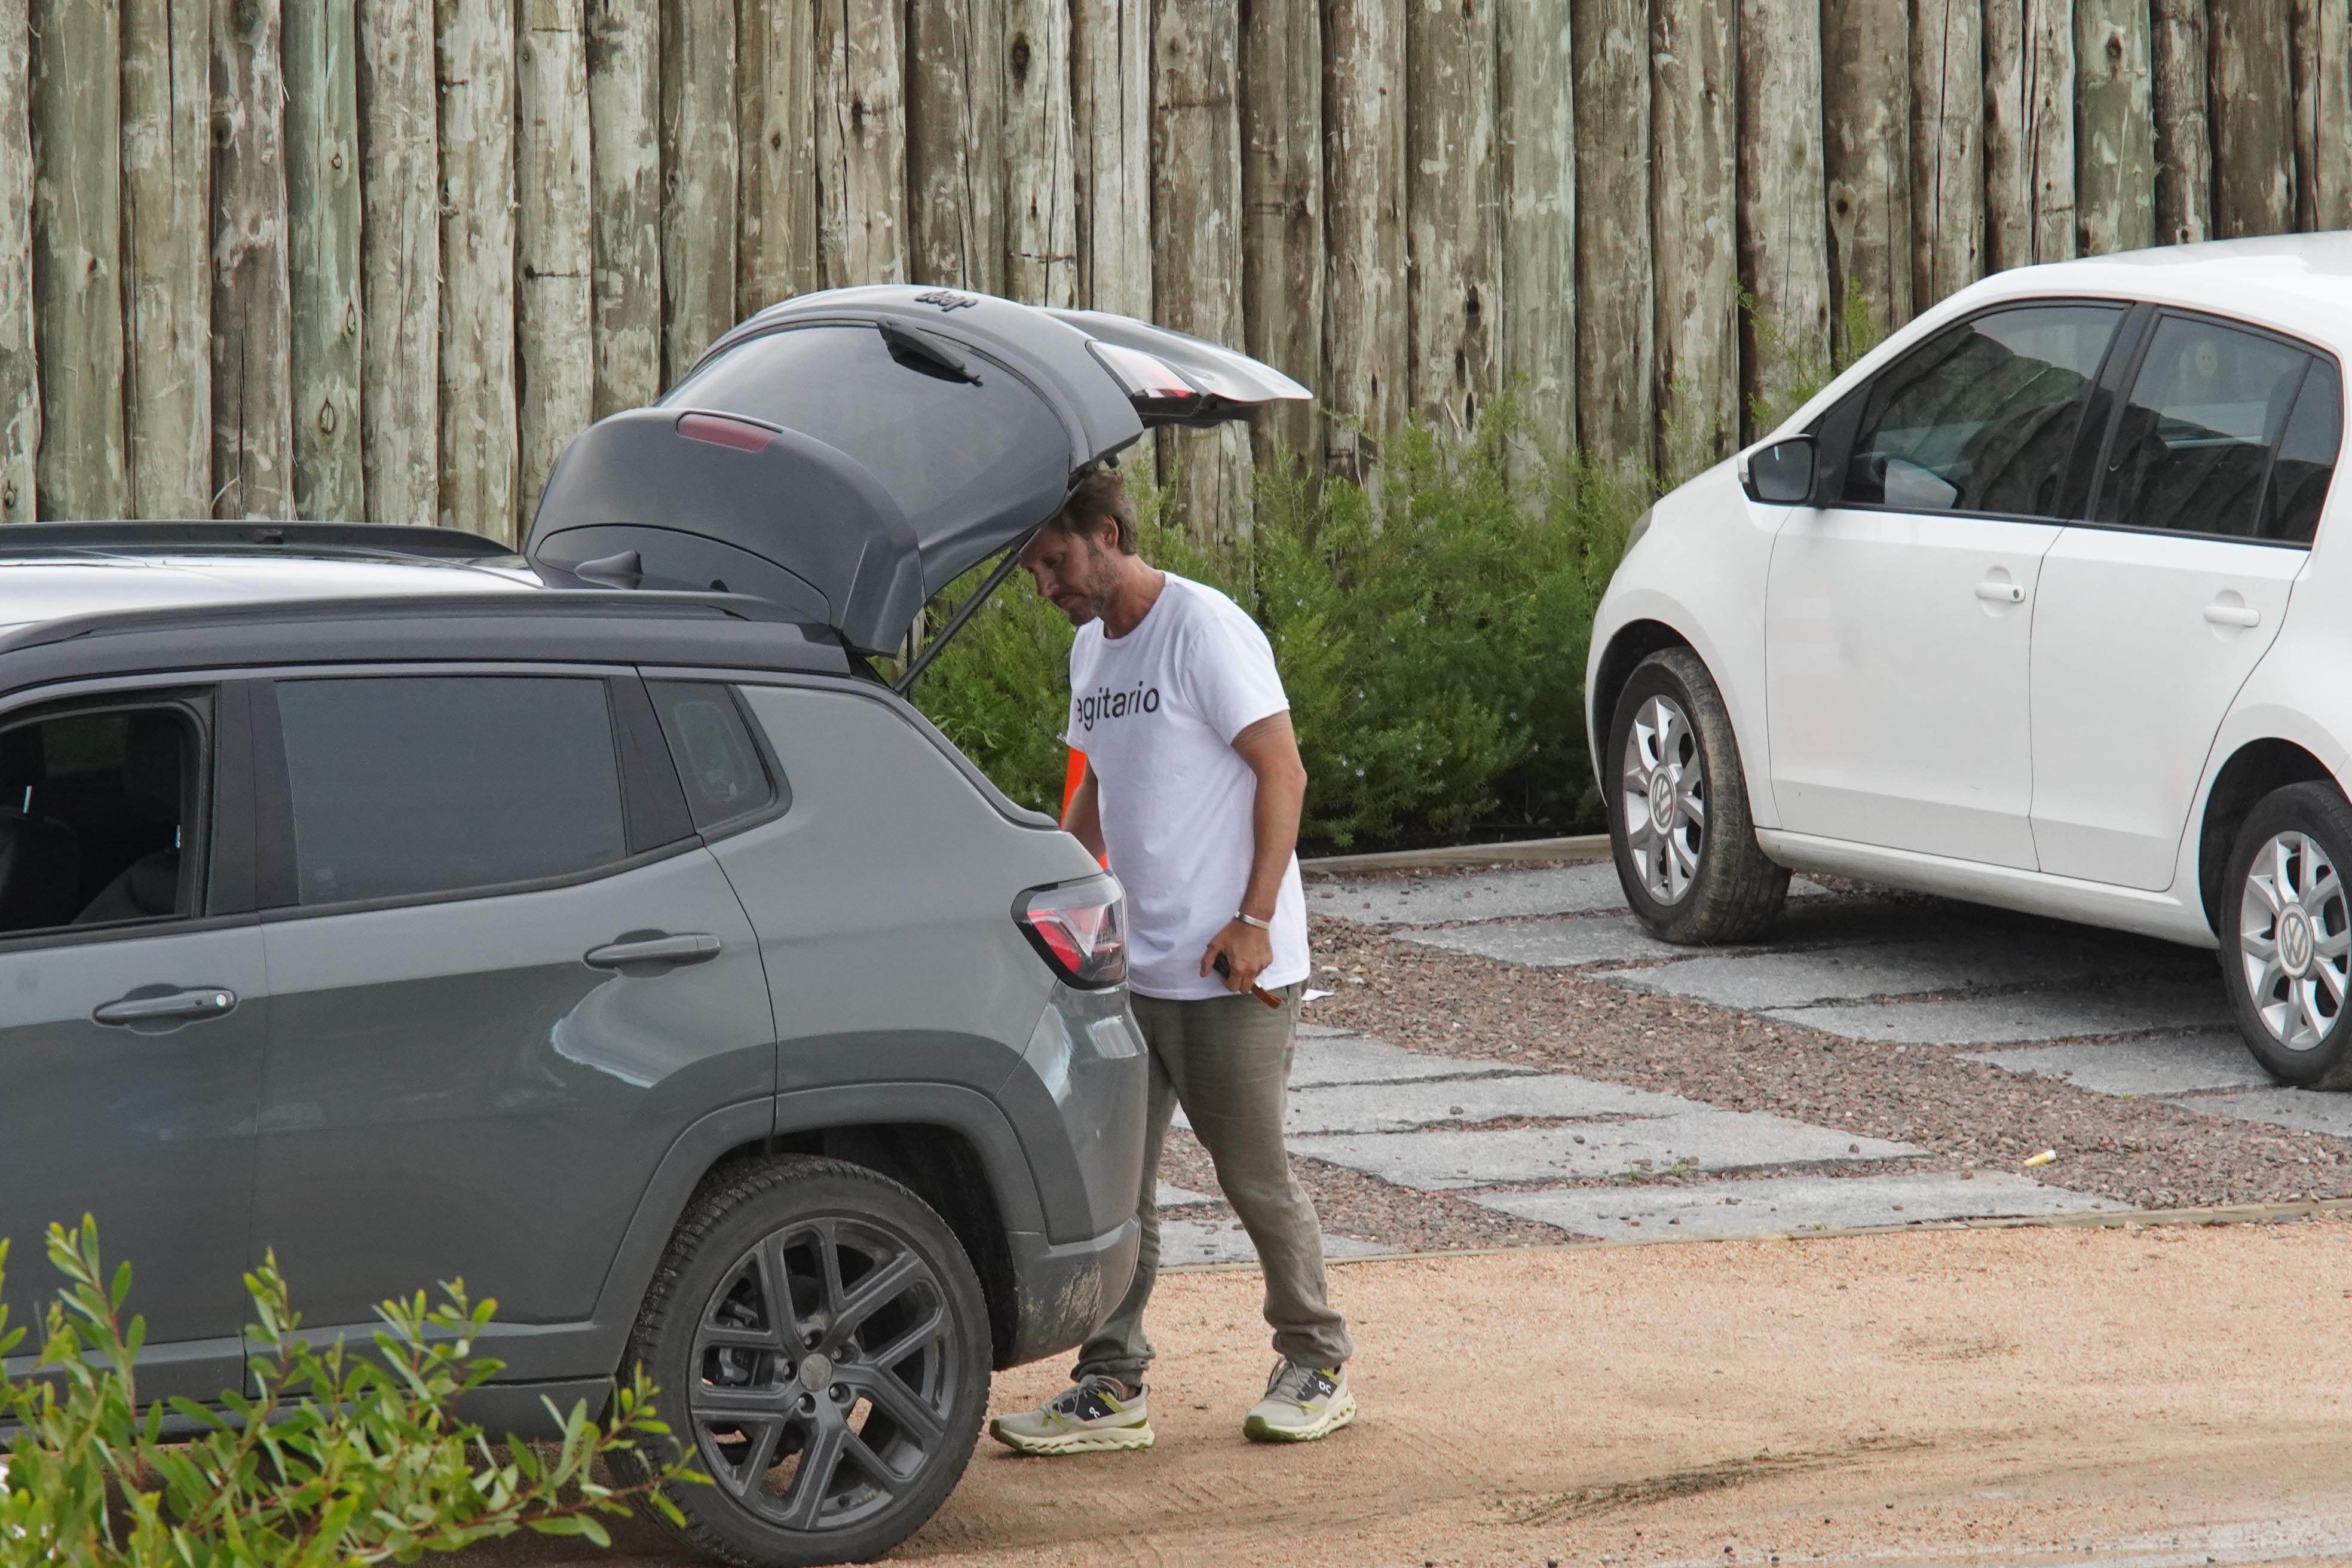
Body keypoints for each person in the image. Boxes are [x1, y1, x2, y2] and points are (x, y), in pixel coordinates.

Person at [987, 466, 1356, 1454]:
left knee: (1253, 1175)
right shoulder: (1090, 652)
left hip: (1230, 966)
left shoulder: (1204, 629)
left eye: (1055, 563)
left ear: (1107, 535)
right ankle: (1112, 1382)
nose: (1046, 587)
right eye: (1033, 573)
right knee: (1118, 1188)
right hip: (1130, 970)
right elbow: (1095, 794)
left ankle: (1317, 1359)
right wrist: (1054, 901)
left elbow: (1284, 770)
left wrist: (1254, 920)